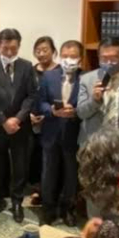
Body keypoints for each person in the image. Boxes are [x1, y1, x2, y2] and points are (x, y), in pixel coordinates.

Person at [0, 28, 36, 223]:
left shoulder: (27, 67)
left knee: (19, 166)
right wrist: (3, 121)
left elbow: (31, 96)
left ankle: (17, 202)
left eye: (13, 48)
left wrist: (17, 119)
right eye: (5, 48)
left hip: (20, 126)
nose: (9, 53)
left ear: (19, 46)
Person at [36, 40, 83, 226]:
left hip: (74, 133)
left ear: (80, 58)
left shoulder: (85, 77)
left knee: (71, 175)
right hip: (51, 132)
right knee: (49, 172)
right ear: (59, 56)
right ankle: (48, 209)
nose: (68, 60)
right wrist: (52, 111)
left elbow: (90, 105)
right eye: (65, 56)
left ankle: (67, 209)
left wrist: (76, 111)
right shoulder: (48, 76)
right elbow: (39, 103)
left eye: (73, 56)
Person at [76, 37, 119, 149]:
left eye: (114, 58)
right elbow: (81, 113)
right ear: (98, 57)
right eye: (104, 58)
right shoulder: (86, 79)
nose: (109, 63)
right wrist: (94, 100)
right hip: (93, 143)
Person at [27, 36, 56, 200]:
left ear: (53, 51)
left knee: (50, 157)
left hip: (52, 119)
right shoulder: (30, 71)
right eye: (38, 51)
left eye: (45, 50)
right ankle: (36, 187)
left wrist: (47, 115)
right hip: (31, 119)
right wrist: (29, 114)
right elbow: (26, 94)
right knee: (34, 156)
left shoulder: (59, 71)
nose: (41, 54)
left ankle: (49, 189)